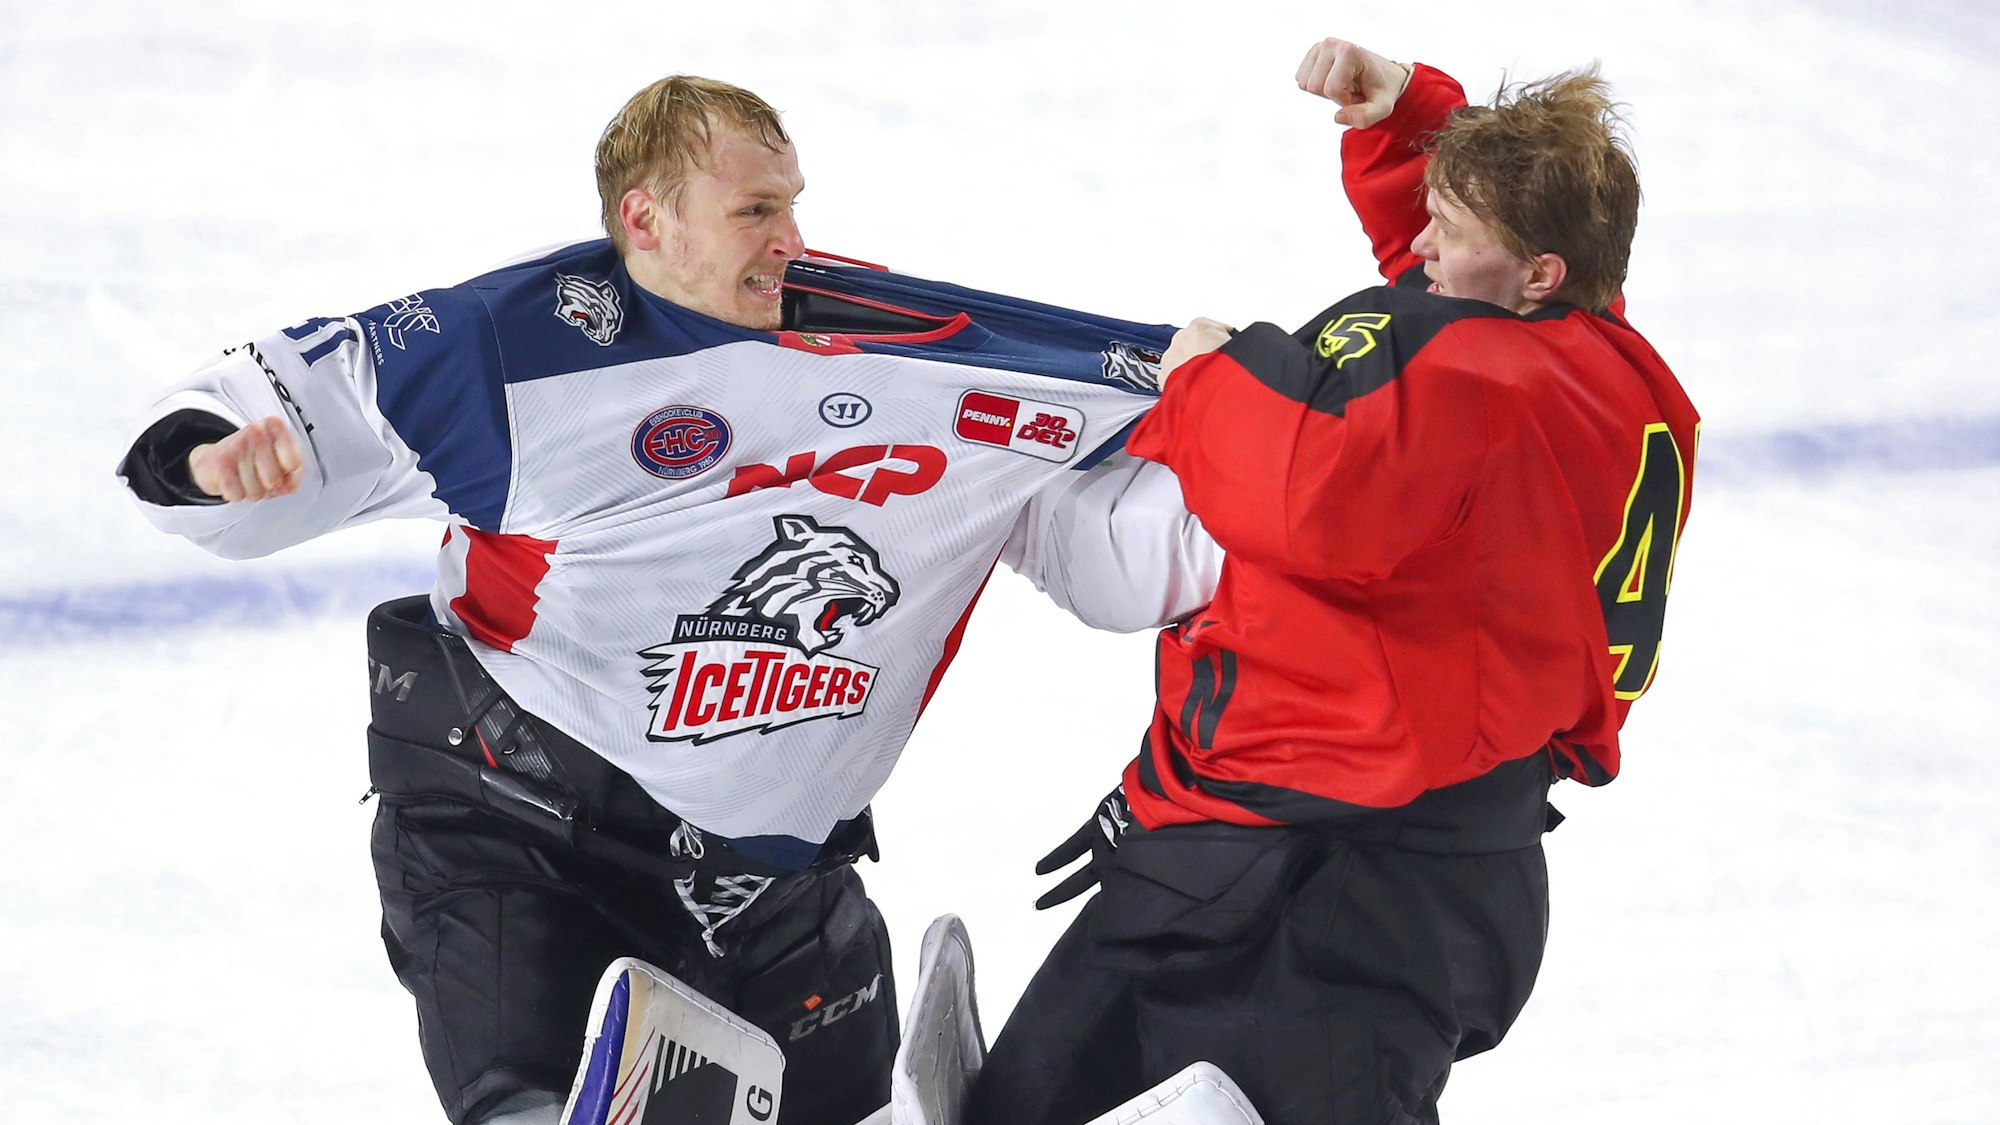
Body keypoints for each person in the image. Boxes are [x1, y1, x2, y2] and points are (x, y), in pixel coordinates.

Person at [116, 76, 1220, 1125]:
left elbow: (1113, 557)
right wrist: (205, 462)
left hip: (776, 894)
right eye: (753, 208)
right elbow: (285, 401)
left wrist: (1270, 489)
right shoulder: (514, 347)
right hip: (522, 842)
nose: (788, 237)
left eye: (790, 205)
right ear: (645, 220)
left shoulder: (941, 370)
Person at [970, 36, 1700, 1125]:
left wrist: (1209, 376)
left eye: (1448, 237)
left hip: (1325, 875)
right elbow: (1453, 295)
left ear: (1538, 277)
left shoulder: (1472, 382)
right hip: (1406, 852)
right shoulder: (1612, 366)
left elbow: (1298, 493)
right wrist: (1411, 131)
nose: (1421, 259)